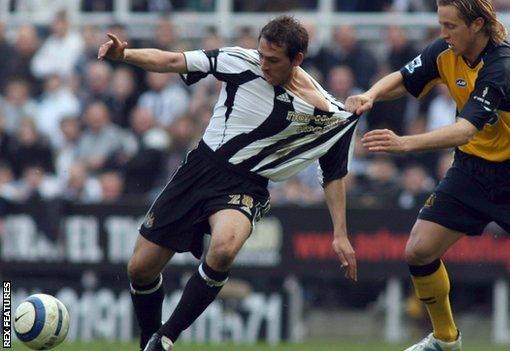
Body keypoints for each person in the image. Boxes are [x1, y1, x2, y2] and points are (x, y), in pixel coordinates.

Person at [346, 1, 510, 350]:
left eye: (450, 26)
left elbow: (465, 129)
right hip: (473, 169)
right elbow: (405, 77)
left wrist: (404, 144)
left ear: (478, 24)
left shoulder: (502, 65)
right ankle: (446, 340)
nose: (443, 34)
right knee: (418, 250)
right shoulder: (446, 49)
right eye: (441, 25)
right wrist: (370, 94)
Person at [98, 16, 358, 351]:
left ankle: (166, 338)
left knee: (223, 248)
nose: (263, 64)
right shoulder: (240, 60)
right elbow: (175, 60)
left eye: (273, 60)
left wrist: (340, 233)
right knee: (140, 270)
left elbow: (333, 173)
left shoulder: (327, 115)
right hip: (200, 170)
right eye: (261, 54)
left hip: (246, 186)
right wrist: (125, 56)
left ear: (297, 60)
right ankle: (147, 342)